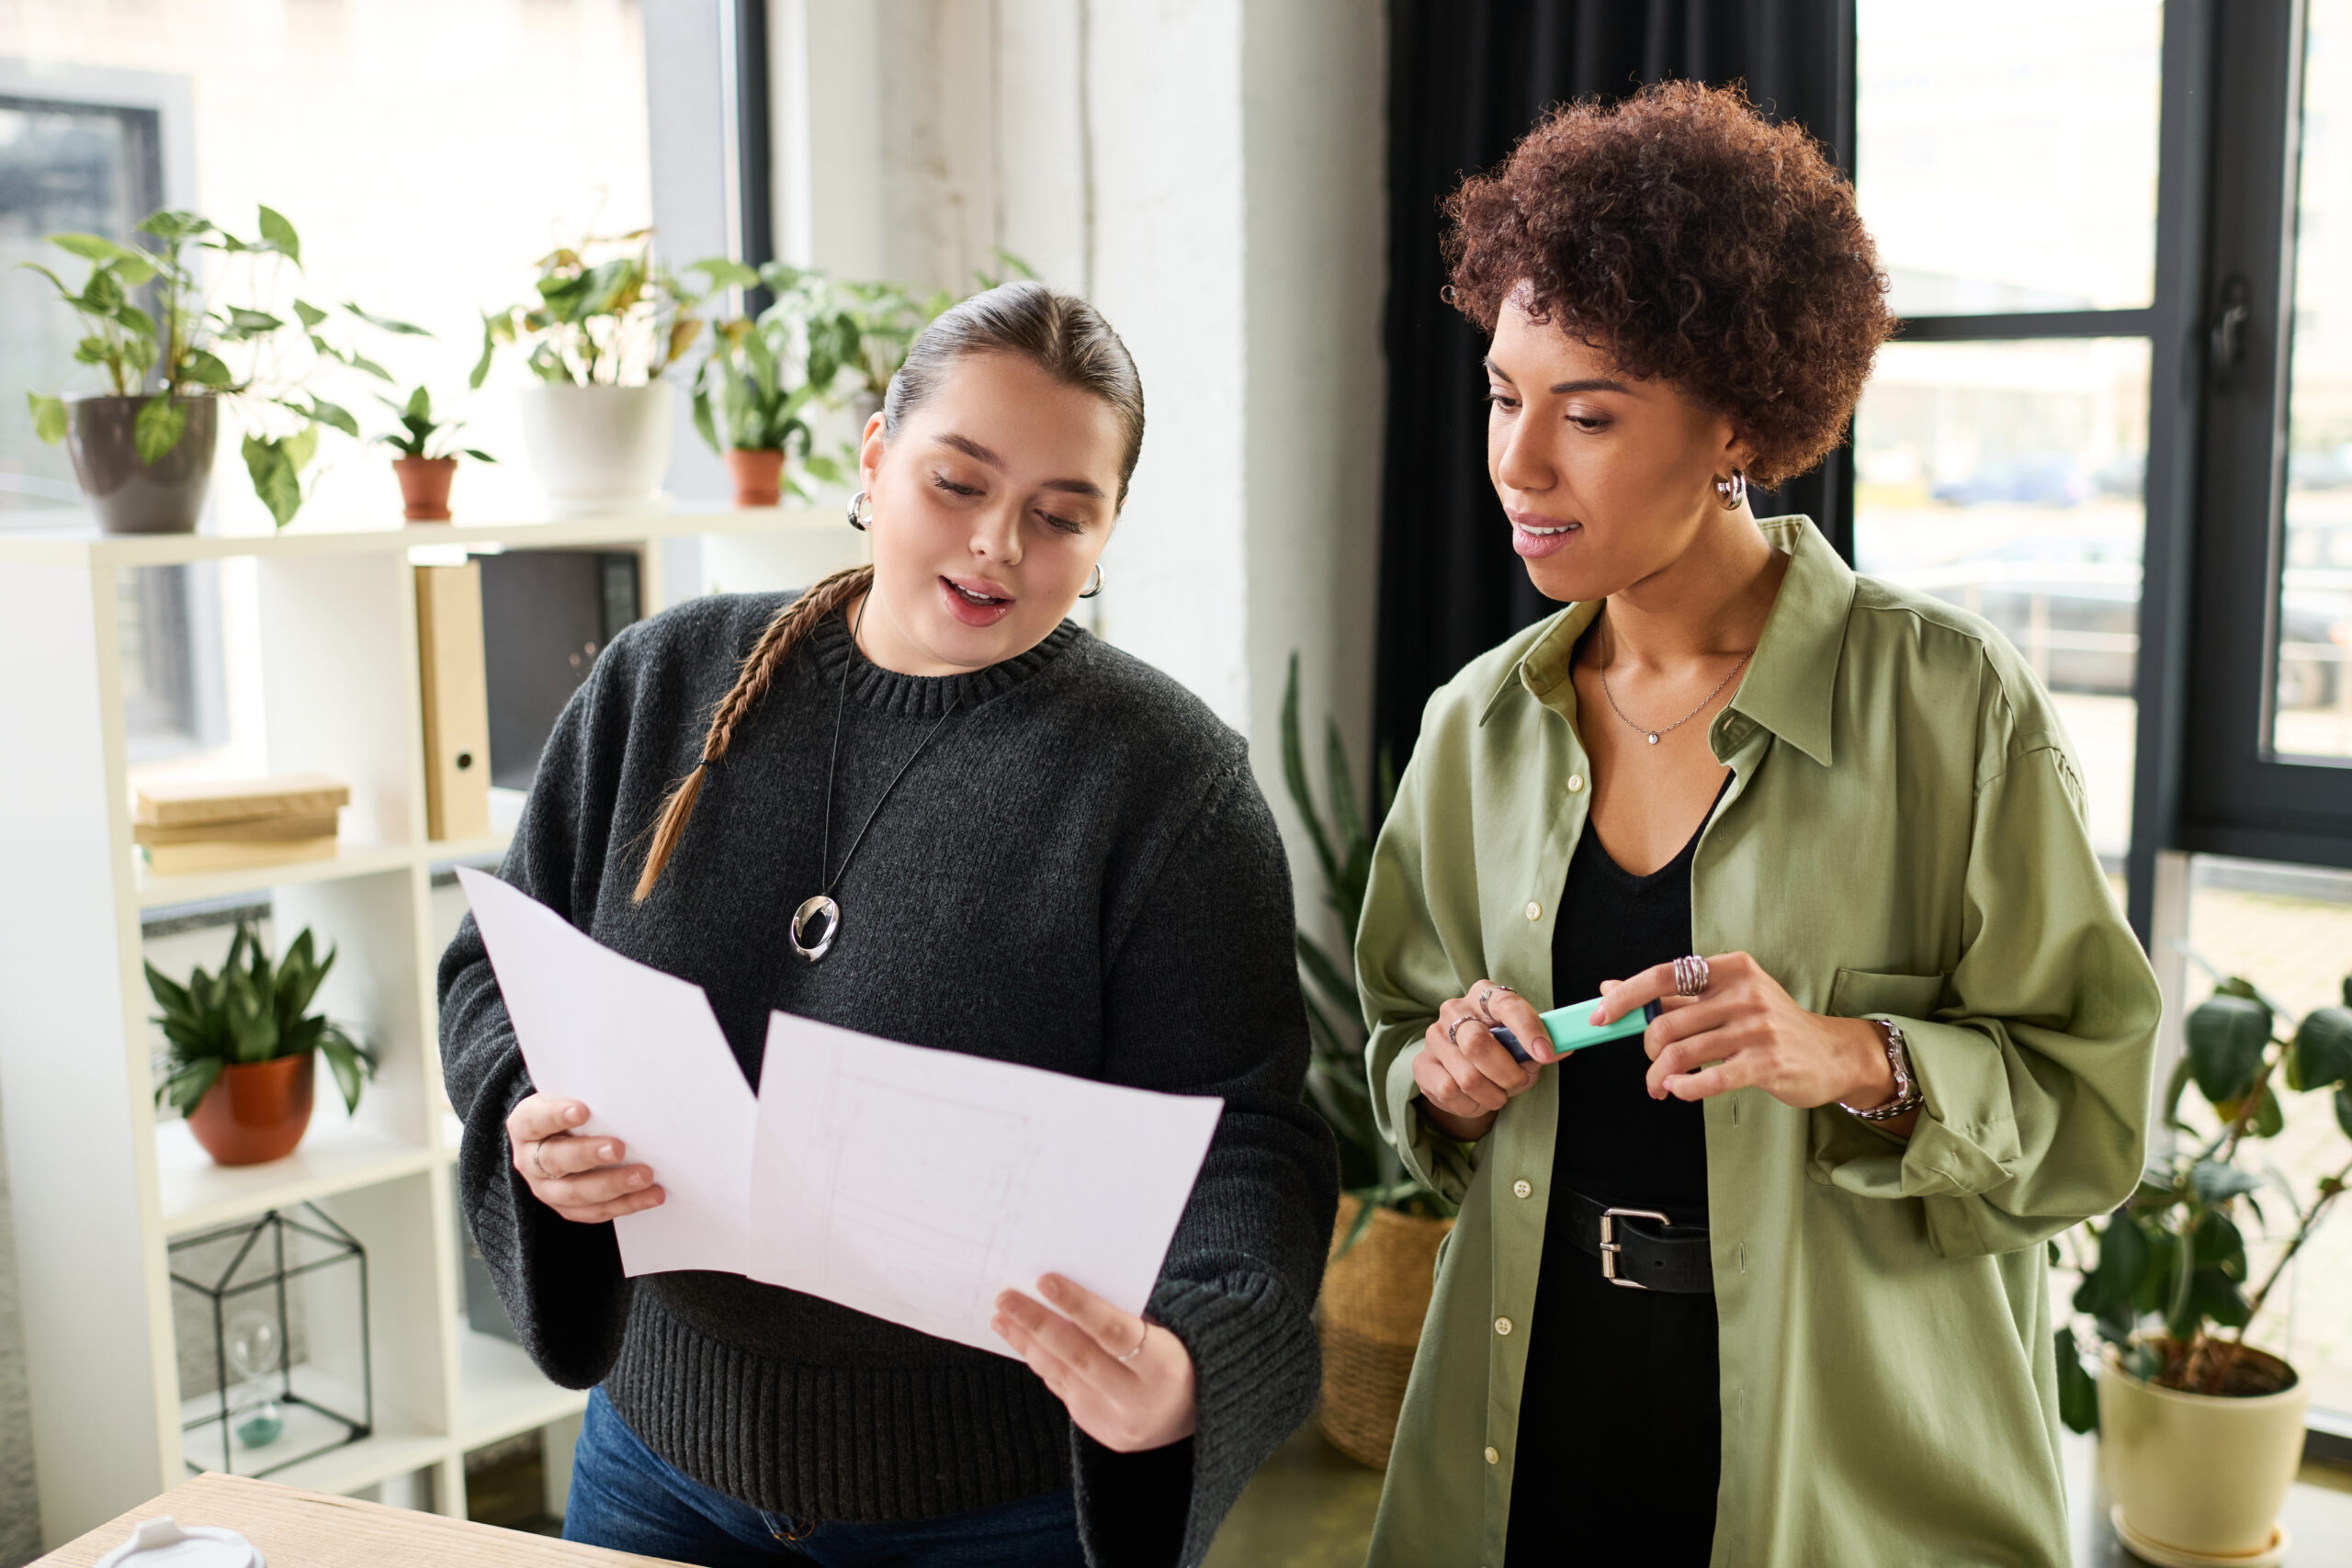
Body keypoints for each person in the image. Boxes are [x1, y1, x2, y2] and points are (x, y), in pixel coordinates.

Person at [1356, 84, 2161, 1567]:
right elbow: (1398, 1038)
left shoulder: (1950, 705)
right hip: (1530, 1422)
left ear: (1737, 419)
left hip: (1847, 1454)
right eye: (1500, 393)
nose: (1519, 464)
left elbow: (2095, 1111)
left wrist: (1858, 1059)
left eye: (1587, 414)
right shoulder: (1479, 726)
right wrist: (1447, 1071)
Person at [440, 281, 1335, 1568]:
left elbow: (1246, 1147)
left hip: (998, 1508)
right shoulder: (663, 680)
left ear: (1108, 531)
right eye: (956, 484)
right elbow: (494, 968)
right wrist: (534, 1115)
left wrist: (1193, 1353)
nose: (996, 549)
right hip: (656, 1463)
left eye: (1059, 515)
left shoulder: (1164, 783)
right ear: (875, 456)